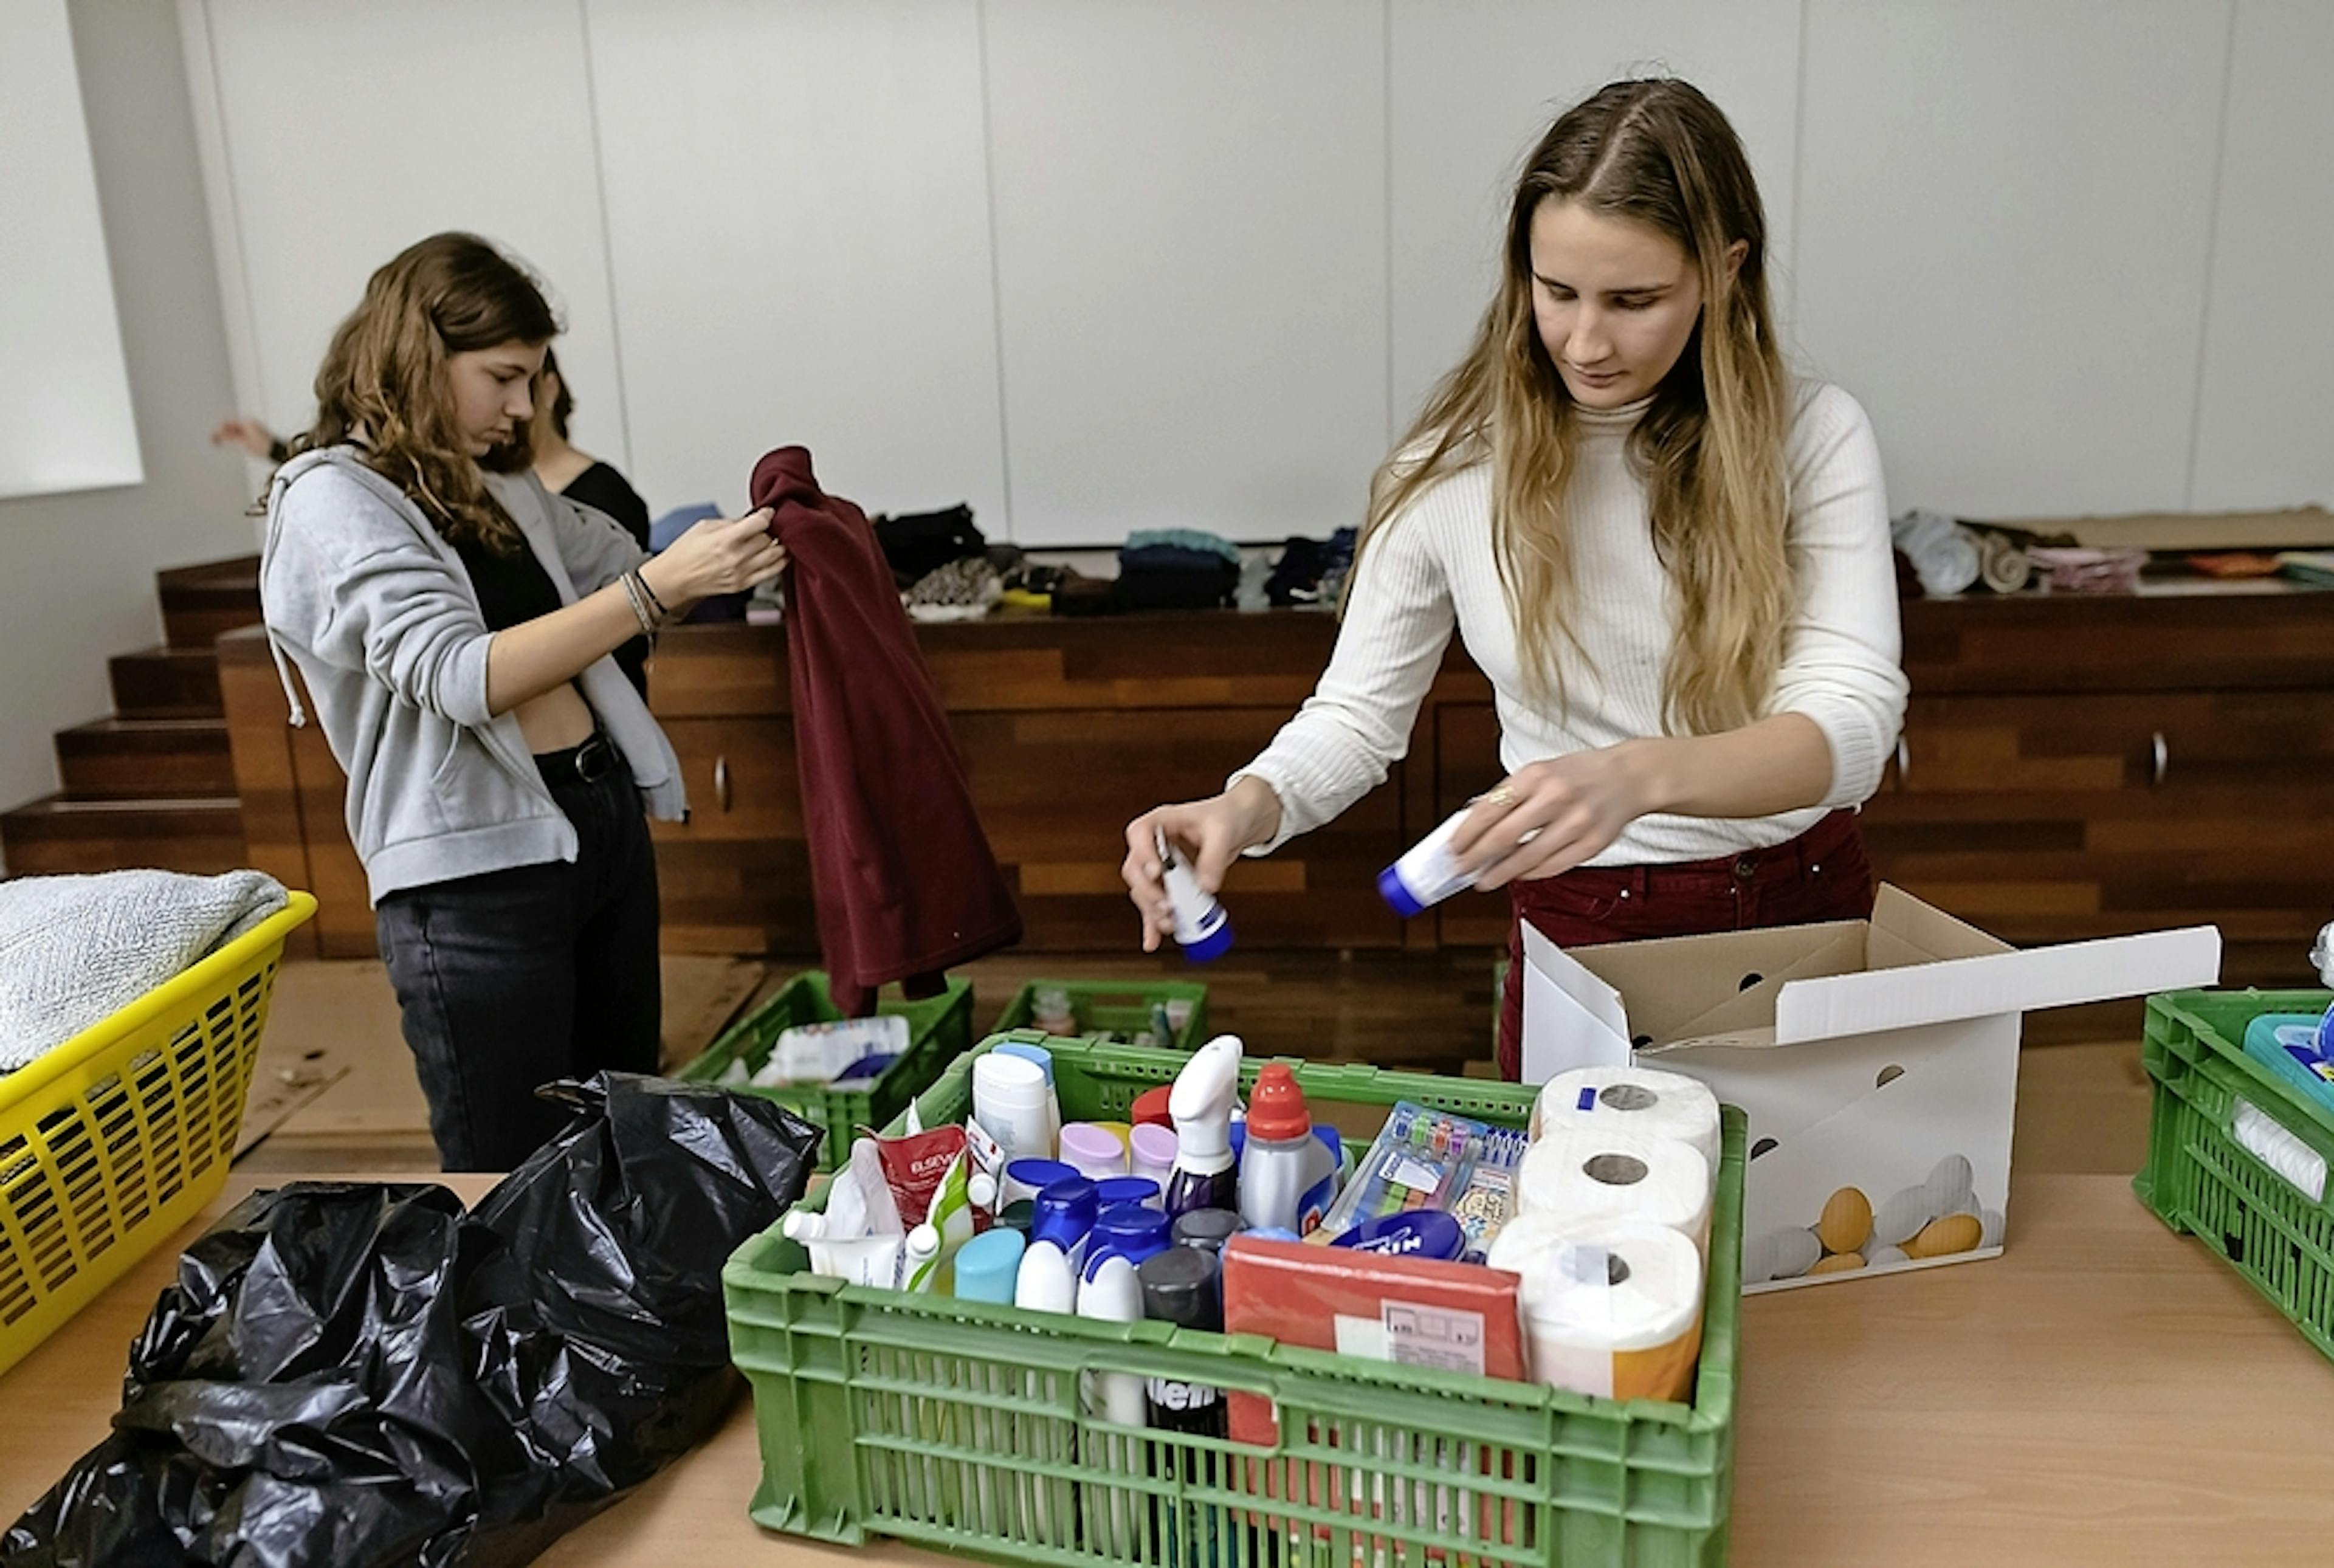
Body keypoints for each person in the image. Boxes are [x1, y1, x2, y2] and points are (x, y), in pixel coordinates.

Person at [1120, 78, 1908, 1079]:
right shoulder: (1448, 471)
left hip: (1800, 895)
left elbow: (1851, 732)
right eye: (1558, 292)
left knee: (1805, 1223)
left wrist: (1637, 775)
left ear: (1725, 270)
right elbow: (1359, 717)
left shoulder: (1812, 436)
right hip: (1587, 917)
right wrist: (1246, 805)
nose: (1586, 343)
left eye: (1635, 301)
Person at [258, 232, 788, 1169]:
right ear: (418, 355)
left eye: (533, 380)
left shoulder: (494, 484)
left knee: (624, 1129)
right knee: (510, 1168)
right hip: (474, 878)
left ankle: (613, 1316)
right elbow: (459, 674)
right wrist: (659, 588)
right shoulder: (333, 500)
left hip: (596, 820)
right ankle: (522, 1323)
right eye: (503, 376)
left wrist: (765, 538)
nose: (522, 407)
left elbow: (621, 574)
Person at [528, 346, 654, 693]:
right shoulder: (502, 491)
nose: (515, 407)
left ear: (549, 389)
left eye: (522, 384)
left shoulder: (605, 497)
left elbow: (631, 620)